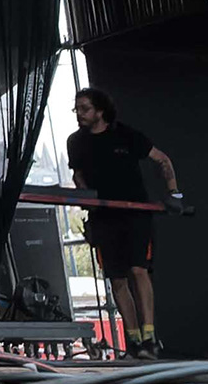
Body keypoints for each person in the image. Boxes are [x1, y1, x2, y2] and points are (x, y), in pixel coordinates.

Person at [63, 88, 180, 355]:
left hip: (135, 215)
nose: (79, 114)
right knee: (117, 279)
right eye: (76, 109)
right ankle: (135, 341)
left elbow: (163, 160)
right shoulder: (76, 142)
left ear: (100, 110)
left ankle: (150, 337)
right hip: (104, 217)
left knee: (138, 270)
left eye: (84, 108)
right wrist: (85, 196)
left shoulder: (126, 135)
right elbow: (78, 175)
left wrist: (175, 193)